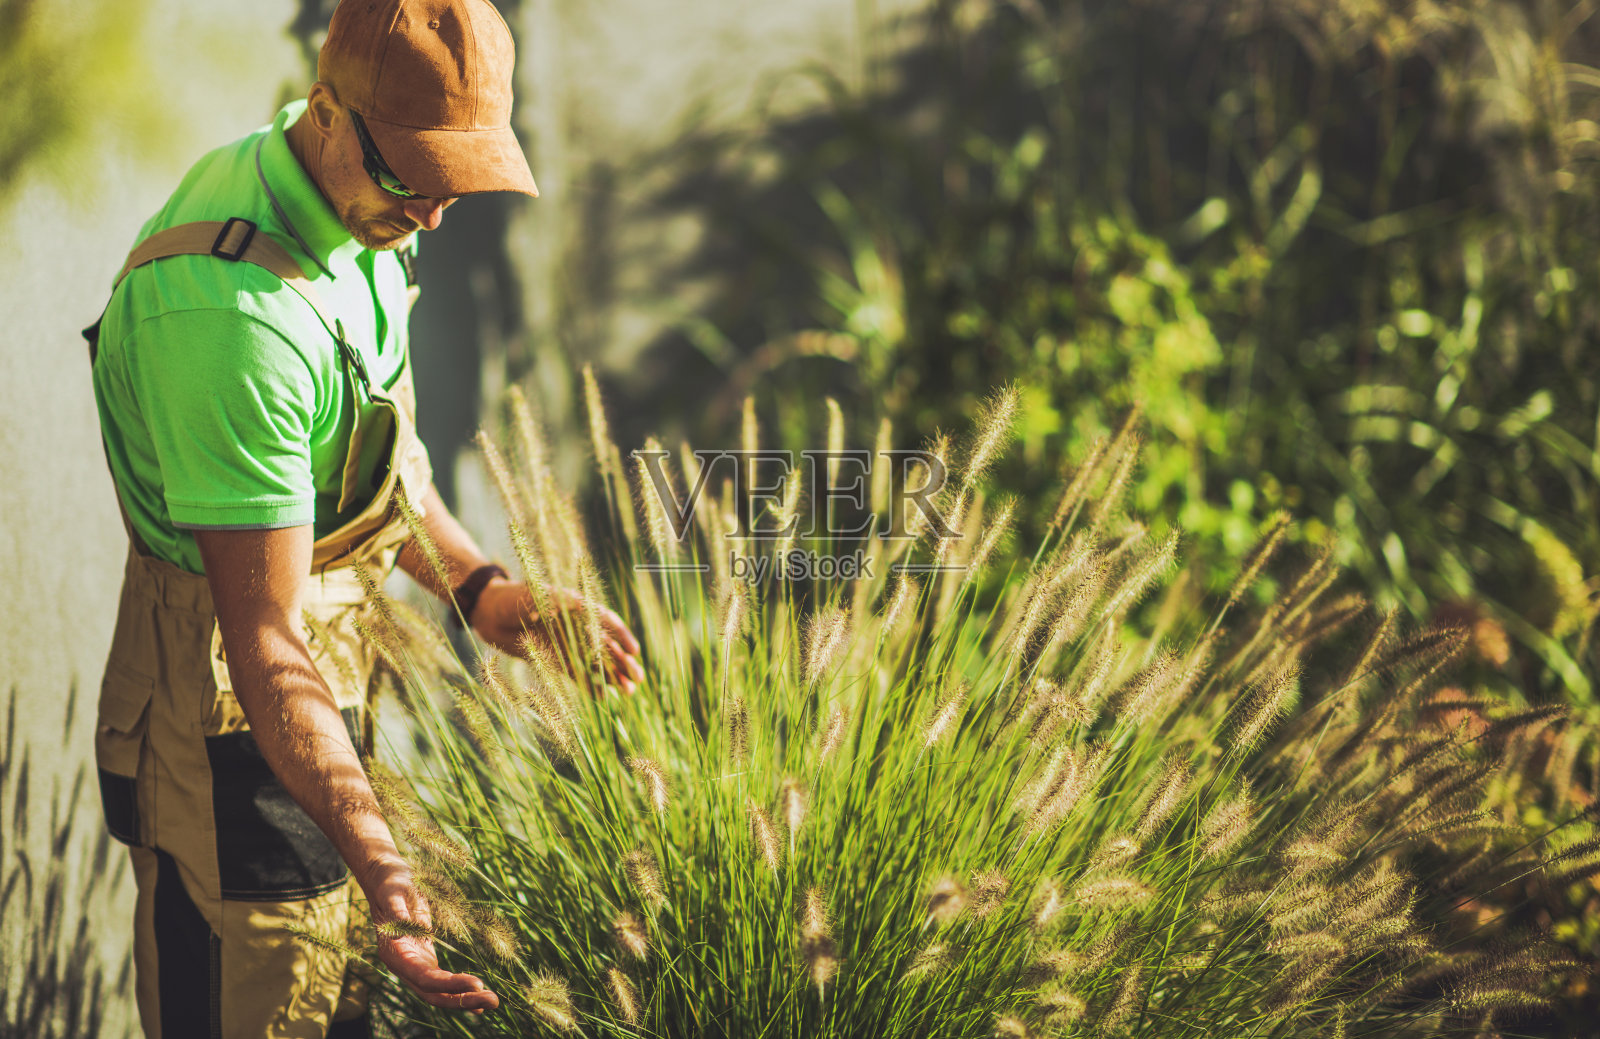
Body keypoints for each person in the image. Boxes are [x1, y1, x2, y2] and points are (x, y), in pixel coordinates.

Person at [85, 1, 644, 1035]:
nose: (433, 212)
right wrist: (387, 865)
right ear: (329, 112)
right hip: (231, 738)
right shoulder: (233, 323)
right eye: (413, 175)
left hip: (319, 703)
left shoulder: (360, 207)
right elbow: (261, 640)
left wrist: (483, 590)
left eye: (455, 179)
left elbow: (377, 452)